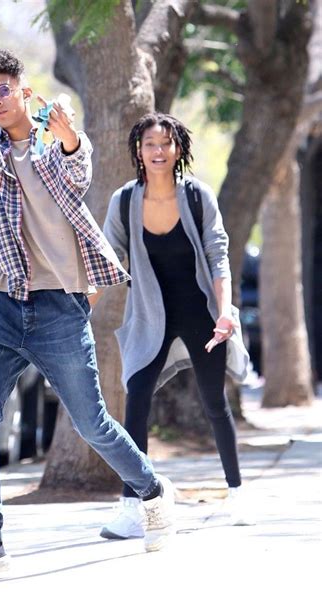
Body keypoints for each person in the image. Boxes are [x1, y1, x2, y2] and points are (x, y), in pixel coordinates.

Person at [0, 51, 174, 586]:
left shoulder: (53, 137)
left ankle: (153, 492)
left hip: (59, 309)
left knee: (93, 425)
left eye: (1, 90)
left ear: (21, 90)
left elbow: (77, 168)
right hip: (1, 304)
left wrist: (66, 137)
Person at [99, 112, 250, 541]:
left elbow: (219, 255)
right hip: (150, 316)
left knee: (214, 402)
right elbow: (109, 259)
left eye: (166, 143)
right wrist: (79, 303)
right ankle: (134, 505)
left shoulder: (198, 197)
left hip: (201, 313)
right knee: (137, 399)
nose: (158, 151)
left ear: (178, 149)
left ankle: (236, 494)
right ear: (138, 151)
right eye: (150, 144)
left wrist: (225, 311)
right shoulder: (125, 201)